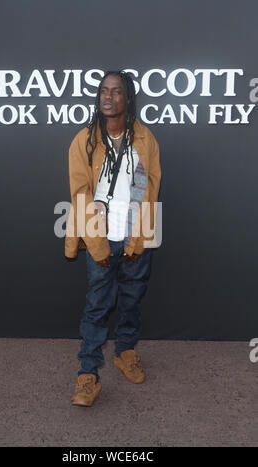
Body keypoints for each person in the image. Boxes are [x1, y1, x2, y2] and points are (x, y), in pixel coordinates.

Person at [65, 70, 162, 406]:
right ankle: (88, 375)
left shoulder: (145, 139)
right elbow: (80, 194)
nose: (108, 97)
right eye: (104, 91)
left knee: (132, 299)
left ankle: (126, 352)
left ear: (128, 98)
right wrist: (96, 243)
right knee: (96, 306)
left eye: (116, 91)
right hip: (100, 238)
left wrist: (138, 240)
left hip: (135, 234)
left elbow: (150, 192)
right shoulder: (84, 140)